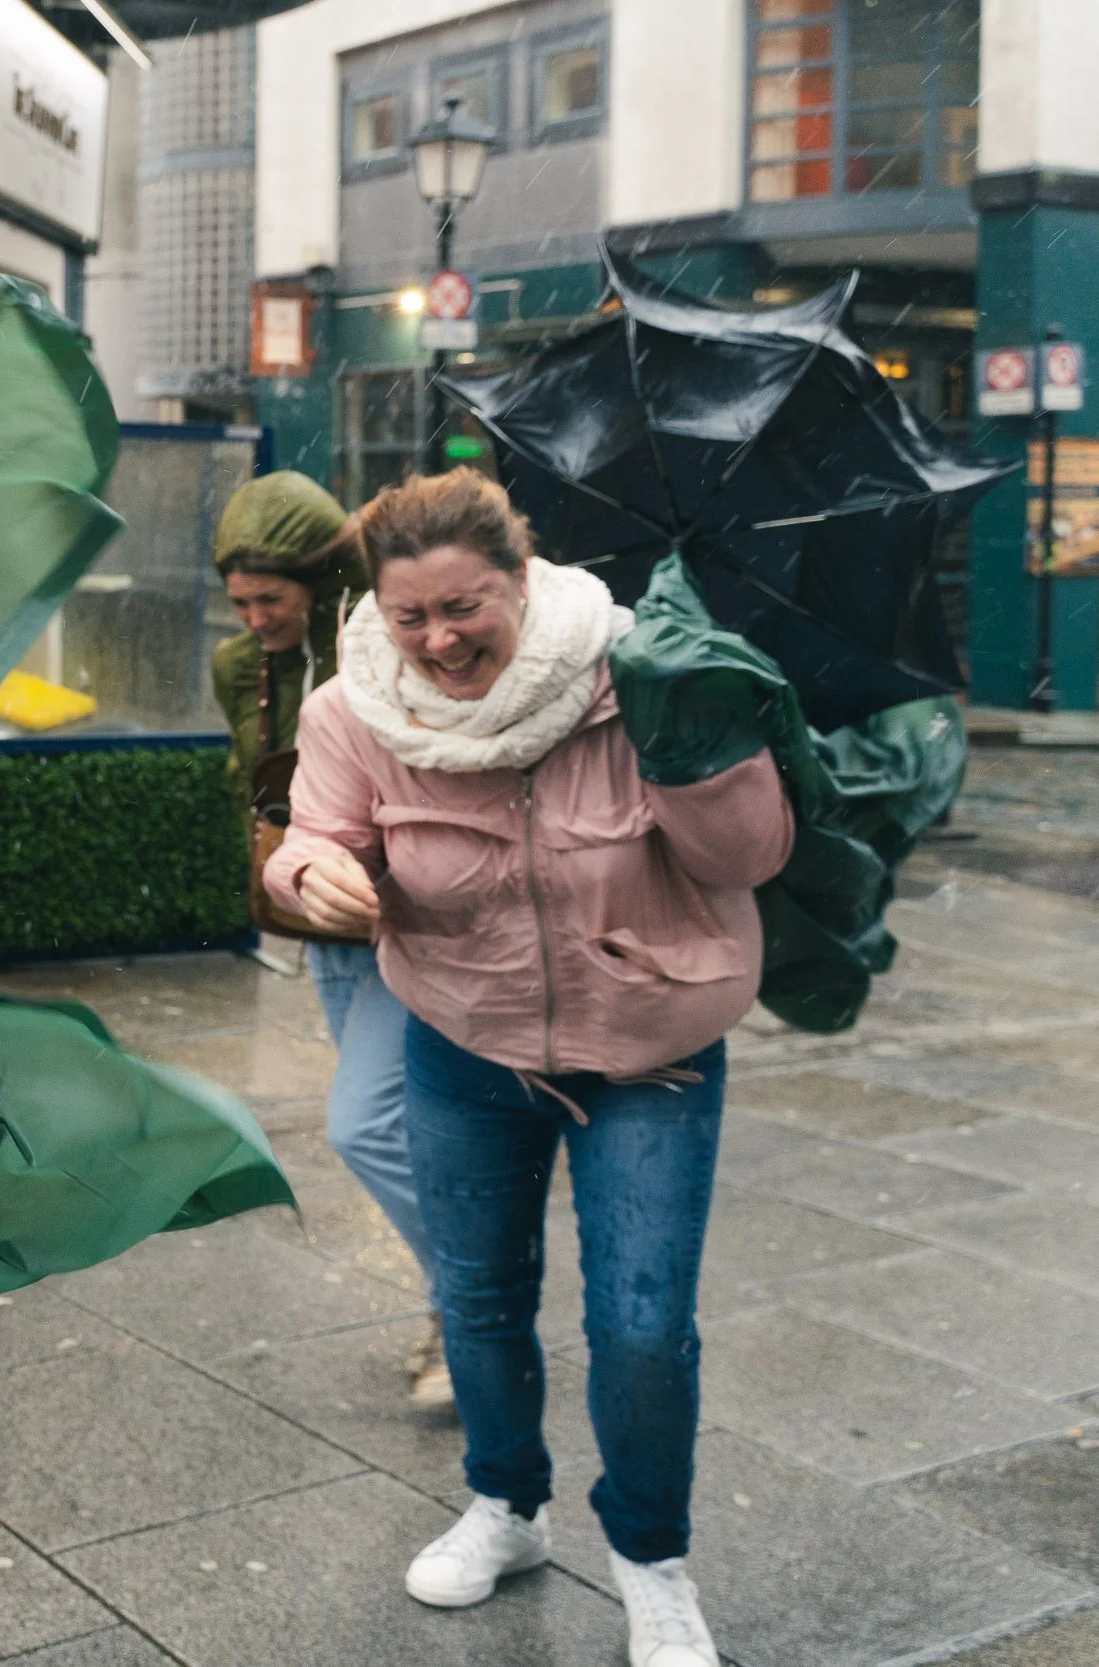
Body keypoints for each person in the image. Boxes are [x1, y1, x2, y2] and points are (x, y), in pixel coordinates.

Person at [263, 471, 792, 1667]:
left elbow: (749, 857)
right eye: (412, 617)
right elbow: (311, 837)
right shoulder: (354, 711)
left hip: (649, 1047)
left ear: (521, 579)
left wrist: (695, 737)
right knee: (478, 1298)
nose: (440, 639)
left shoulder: (636, 672)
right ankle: (506, 1506)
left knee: (644, 1325)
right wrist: (313, 877)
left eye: (465, 606)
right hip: (465, 1038)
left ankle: (652, 1561)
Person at [209, 469, 449, 1410]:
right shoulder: (239, 667)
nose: (255, 616)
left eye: (271, 597)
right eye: (238, 601)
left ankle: (473, 1296)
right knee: (404, 1122)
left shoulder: (376, 638)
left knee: (366, 1124)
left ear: (316, 580)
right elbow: (255, 785)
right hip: (321, 921)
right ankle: (465, 1293)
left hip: (409, 911)